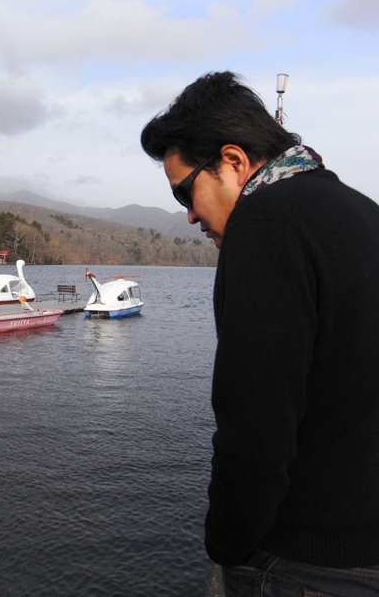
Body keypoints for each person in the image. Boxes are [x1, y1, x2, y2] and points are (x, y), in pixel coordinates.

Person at [140, 71, 379, 596]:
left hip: (304, 564)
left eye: (185, 191)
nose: (189, 216)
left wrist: (227, 546)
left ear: (233, 161)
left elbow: (255, 424)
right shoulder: (364, 213)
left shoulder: (264, 225)